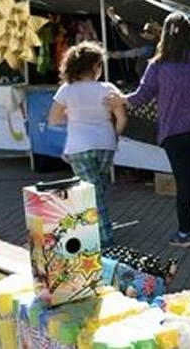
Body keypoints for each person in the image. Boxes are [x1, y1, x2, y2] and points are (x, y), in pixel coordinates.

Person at [108, 12, 190, 248]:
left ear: (164, 33)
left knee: (185, 183)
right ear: (189, 34)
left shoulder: (158, 65)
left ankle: (184, 234)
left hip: (173, 133)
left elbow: (141, 98)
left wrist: (120, 100)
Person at [49, 41, 127, 248]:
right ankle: (94, 232)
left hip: (79, 145)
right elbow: (121, 119)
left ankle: (103, 238)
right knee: (97, 190)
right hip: (106, 143)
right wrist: (114, 137)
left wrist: (73, 115)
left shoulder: (67, 90)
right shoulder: (108, 88)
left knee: (90, 192)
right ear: (96, 66)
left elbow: (53, 119)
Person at [105, 5, 160, 78]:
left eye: (147, 31)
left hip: (149, 77)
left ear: (154, 35)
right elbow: (126, 30)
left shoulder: (149, 47)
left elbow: (131, 52)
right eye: (144, 31)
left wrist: (111, 54)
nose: (143, 33)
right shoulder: (146, 43)